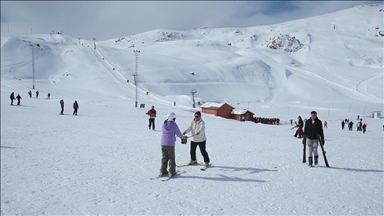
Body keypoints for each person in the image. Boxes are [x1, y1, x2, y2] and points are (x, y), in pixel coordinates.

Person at [159, 112, 185, 177]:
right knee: (171, 158)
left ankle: (163, 171)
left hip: (163, 143)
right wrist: (182, 138)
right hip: (170, 144)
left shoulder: (164, 124)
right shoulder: (174, 125)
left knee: (164, 157)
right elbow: (178, 133)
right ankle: (172, 172)